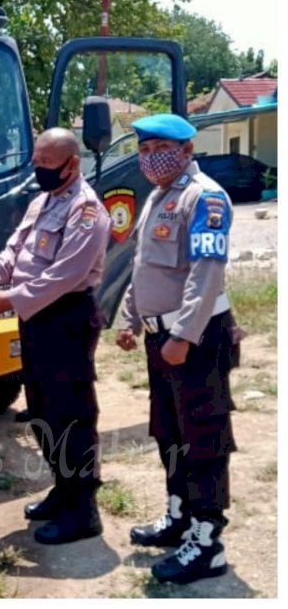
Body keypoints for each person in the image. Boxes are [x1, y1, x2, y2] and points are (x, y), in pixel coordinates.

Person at [0, 127, 111, 545]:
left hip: (66, 316)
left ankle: (83, 508)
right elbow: (18, 253)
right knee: (42, 409)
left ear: (73, 163)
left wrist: (7, 299)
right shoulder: (42, 201)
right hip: (35, 318)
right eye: (37, 163)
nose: (40, 172)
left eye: (48, 165)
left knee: (71, 411)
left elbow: (66, 274)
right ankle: (62, 489)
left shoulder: (86, 210)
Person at [116, 114, 239, 585]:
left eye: (161, 147)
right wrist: (130, 319)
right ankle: (180, 517)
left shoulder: (203, 197)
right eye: (144, 149)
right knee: (169, 431)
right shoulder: (157, 197)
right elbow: (144, 268)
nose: (150, 157)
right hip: (159, 337)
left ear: (187, 150)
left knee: (203, 436)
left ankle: (208, 543)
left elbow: (205, 274)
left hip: (197, 338)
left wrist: (183, 336)